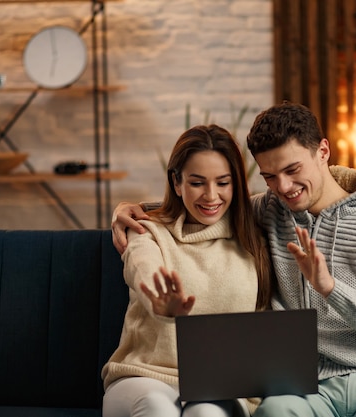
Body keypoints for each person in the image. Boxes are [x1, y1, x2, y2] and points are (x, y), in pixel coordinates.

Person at [111, 102, 356, 417]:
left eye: (292, 170)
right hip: (305, 388)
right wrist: (131, 209)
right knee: (273, 412)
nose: (284, 188)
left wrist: (331, 289)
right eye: (270, 177)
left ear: (323, 151)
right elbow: (211, 204)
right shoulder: (271, 210)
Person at [101, 124, 273, 417]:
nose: (211, 196)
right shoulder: (147, 232)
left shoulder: (253, 239)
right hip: (144, 377)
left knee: (206, 414)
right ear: (176, 182)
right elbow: (141, 266)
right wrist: (159, 301)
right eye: (196, 183)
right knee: (157, 407)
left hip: (223, 387)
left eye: (223, 182)